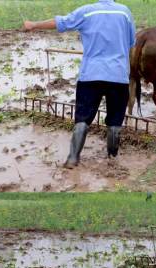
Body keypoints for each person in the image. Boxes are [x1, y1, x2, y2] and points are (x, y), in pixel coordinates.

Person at [23, 0, 136, 168]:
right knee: (114, 122)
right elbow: (131, 43)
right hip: (118, 75)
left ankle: (72, 159)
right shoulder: (125, 13)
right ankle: (112, 159)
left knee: (82, 119)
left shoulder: (86, 12)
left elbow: (60, 22)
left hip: (91, 74)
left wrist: (33, 24)